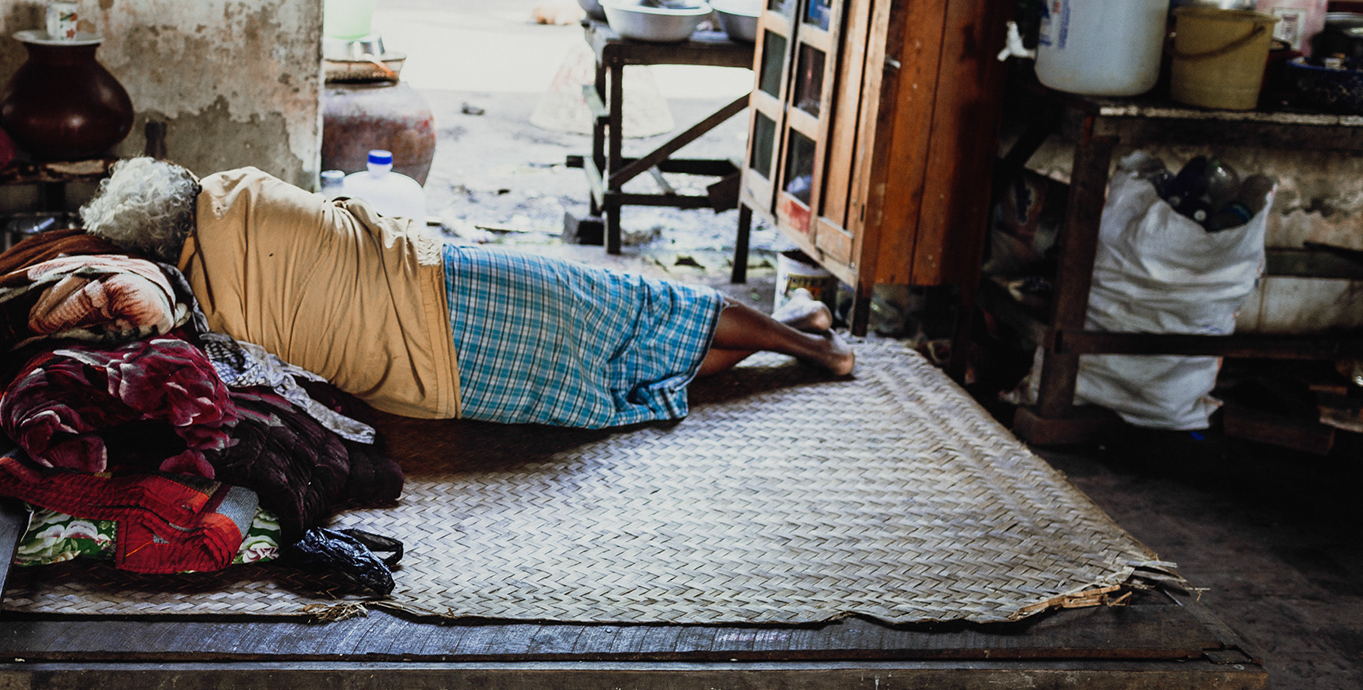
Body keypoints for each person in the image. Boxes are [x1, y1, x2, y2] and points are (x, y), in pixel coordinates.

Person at [76, 159, 852, 433]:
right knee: (639, 306)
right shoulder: (240, 191)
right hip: (447, 283)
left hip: (439, 384)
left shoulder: (198, 317)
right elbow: (347, 214)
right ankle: (807, 342)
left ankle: (795, 330)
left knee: (621, 373)